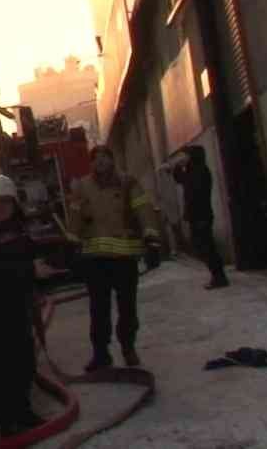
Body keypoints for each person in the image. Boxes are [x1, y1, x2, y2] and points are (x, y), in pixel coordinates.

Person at [68, 147, 162, 371]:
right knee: (98, 310)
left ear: (112, 160)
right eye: (95, 160)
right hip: (95, 261)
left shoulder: (128, 183)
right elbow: (74, 217)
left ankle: (128, 349)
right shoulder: (82, 187)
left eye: (104, 159)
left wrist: (151, 237)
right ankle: (101, 354)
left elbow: (144, 210)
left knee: (127, 308)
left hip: (124, 258)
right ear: (91, 164)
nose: (100, 163)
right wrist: (71, 244)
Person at [0, 174, 44, 437]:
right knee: (0, 369)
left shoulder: (21, 232)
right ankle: (6, 422)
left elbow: (30, 260)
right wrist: (28, 268)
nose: (0, 208)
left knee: (24, 363)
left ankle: (23, 411)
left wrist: (36, 276)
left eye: (5, 203)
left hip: (19, 309)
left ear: (14, 205)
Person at [167, 145, 229, 289]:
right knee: (202, 246)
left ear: (193, 156)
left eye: (186, 155)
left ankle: (219, 277)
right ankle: (217, 276)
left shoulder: (200, 171)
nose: (184, 158)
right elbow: (179, 179)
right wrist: (177, 166)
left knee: (207, 247)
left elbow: (196, 194)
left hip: (202, 215)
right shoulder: (192, 171)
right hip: (196, 216)